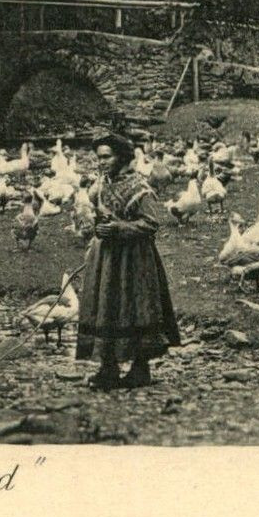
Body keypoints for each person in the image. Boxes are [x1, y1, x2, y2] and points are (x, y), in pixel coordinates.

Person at [76, 132, 181, 389]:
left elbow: (151, 223)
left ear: (121, 157)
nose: (101, 162)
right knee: (106, 306)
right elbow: (101, 217)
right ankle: (108, 367)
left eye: (107, 157)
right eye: (98, 158)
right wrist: (97, 228)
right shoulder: (100, 187)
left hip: (135, 260)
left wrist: (120, 228)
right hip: (106, 258)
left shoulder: (139, 188)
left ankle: (140, 368)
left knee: (135, 307)